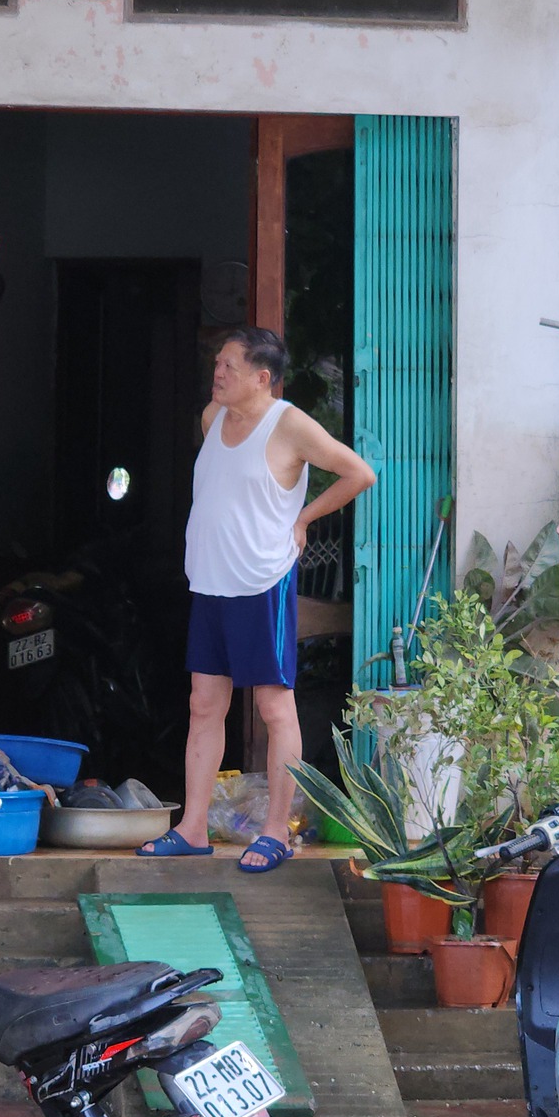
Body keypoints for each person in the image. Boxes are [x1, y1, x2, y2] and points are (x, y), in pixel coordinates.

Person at [138, 327, 375, 873]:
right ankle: (192, 827)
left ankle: (275, 833)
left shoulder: (289, 423)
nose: (217, 373)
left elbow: (359, 472)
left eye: (229, 366)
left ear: (261, 377)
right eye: (217, 364)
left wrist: (304, 519)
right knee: (204, 704)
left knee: (273, 706)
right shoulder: (212, 418)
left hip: (261, 582)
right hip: (210, 581)